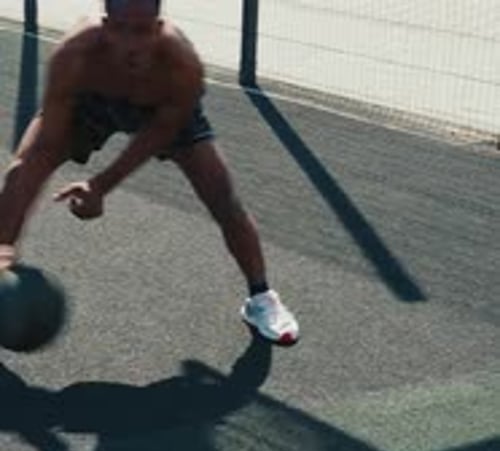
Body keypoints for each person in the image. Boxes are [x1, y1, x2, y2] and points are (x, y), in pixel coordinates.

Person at [0, 0, 299, 345]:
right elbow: (47, 144)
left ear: (158, 28)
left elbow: (159, 133)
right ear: (105, 23)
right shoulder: (73, 55)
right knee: (22, 170)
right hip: (90, 103)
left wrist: (100, 186)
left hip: (159, 108)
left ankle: (261, 299)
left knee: (224, 198)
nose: (130, 43)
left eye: (142, 31)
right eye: (120, 29)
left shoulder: (181, 63)